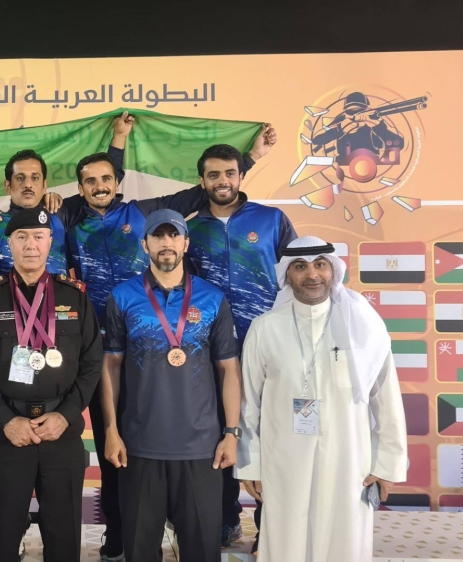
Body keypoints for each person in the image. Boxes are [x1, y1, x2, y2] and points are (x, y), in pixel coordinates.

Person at [63, 113, 273, 559]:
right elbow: (31, 219)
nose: (99, 185)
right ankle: (118, 534)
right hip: (100, 346)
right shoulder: (70, 218)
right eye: (90, 181)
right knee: (115, 452)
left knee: (206, 432)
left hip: (175, 353)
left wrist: (251, 158)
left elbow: (206, 189)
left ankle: (223, 522)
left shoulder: (141, 214)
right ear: (79, 188)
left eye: (107, 178)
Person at [235, 236, 407, 562]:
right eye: (300, 266)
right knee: (286, 541)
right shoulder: (265, 328)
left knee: (344, 541)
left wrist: (387, 465)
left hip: (350, 460)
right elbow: (249, 404)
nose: (312, 274)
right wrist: (251, 464)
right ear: (287, 276)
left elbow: (386, 398)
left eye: (320, 265)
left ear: (334, 271)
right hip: (283, 459)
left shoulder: (364, 327)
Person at [0, 206, 103, 562]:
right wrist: (6, 420)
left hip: (61, 433)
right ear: (9, 243)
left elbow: (91, 363)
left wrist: (66, 416)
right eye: (21, 237)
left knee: (64, 540)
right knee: (2, 541)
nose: (30, 245)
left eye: (39, 237)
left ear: (50, 242)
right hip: (7, 434)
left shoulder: (74, 295)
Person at [100, 210, 242, 562]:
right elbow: (111, 366)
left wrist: (231, 432)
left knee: (202, 552)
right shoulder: (122, 296)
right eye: (158, 236)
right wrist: (112, 430)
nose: (166, 242)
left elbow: (228, 369)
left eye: (174, 235)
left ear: (186, 243)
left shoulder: (212, 298)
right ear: (145, 244)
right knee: (139, 551)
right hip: (139, 446)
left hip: (201, 449)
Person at [184, 140, 290, 550]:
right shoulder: (191, 230)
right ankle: (226, 520)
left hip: (268, 348)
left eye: (230, 173)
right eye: (213, 174)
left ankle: (271, 528)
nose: (223, 181)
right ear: (202, 181)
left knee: (270, 435)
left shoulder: (271, 220)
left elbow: (295, 277)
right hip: (211, 351)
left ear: (241, 175)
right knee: (219, 435)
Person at [0, 149, 69, 286]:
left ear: (44, 185)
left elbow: (96, 199)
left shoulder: (62, 215)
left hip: (62, 300)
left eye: (35, 178)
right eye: (20, 178)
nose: (28, 184)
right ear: (8, 186)